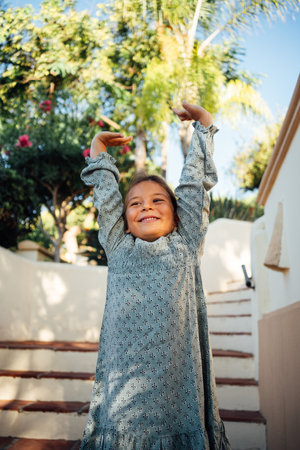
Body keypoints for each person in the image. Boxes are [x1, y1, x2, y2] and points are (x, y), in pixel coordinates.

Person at [80, 101, 231, 449]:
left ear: (178, 217)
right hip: (123, 398)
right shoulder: (119, 247)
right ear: (125, 220)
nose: (146, 206)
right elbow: (105, 197)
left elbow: (194, 184)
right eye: (135, 203)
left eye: (158, 200)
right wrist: (99, 149)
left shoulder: (185, 243)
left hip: (178, 396)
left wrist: (204, 123)